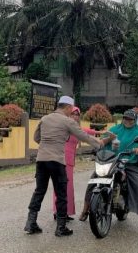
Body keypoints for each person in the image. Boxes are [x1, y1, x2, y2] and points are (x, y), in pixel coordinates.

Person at [24, 96, 115, 237]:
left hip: (41, 160)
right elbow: (83, 136)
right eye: (71, 110)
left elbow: (37, 138)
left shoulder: (45, 119)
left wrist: (48, 143)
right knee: (61, 193)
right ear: (67, 107)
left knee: (39, 191)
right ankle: (61, 227)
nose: (71, 112)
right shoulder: (67, 121)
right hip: (57, 160)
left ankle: (31, 223)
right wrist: (100, 143)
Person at [79, 109, 138, 231]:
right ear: (122, 118)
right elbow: (102, 140)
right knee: (93, 180)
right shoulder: (115, 129)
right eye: (126, 118)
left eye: (130, 119)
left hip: (128, 163)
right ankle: (85, 210)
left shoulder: (137, 132)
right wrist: (106, 140)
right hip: (111, 161)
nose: (127, 121)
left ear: (135, 120)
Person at [51, 106, 101, 221]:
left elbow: (86, 132)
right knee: (62, 186)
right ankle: (59, 212)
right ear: (69, 115)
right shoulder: (67, 125)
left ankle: (64, 212)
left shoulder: (75, 127)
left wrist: (100, 132)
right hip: (62, 159)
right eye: (73, 114)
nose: (76, 116)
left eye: (77, 115)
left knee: (67, 187)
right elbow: (84, 133)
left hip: (69, 161)